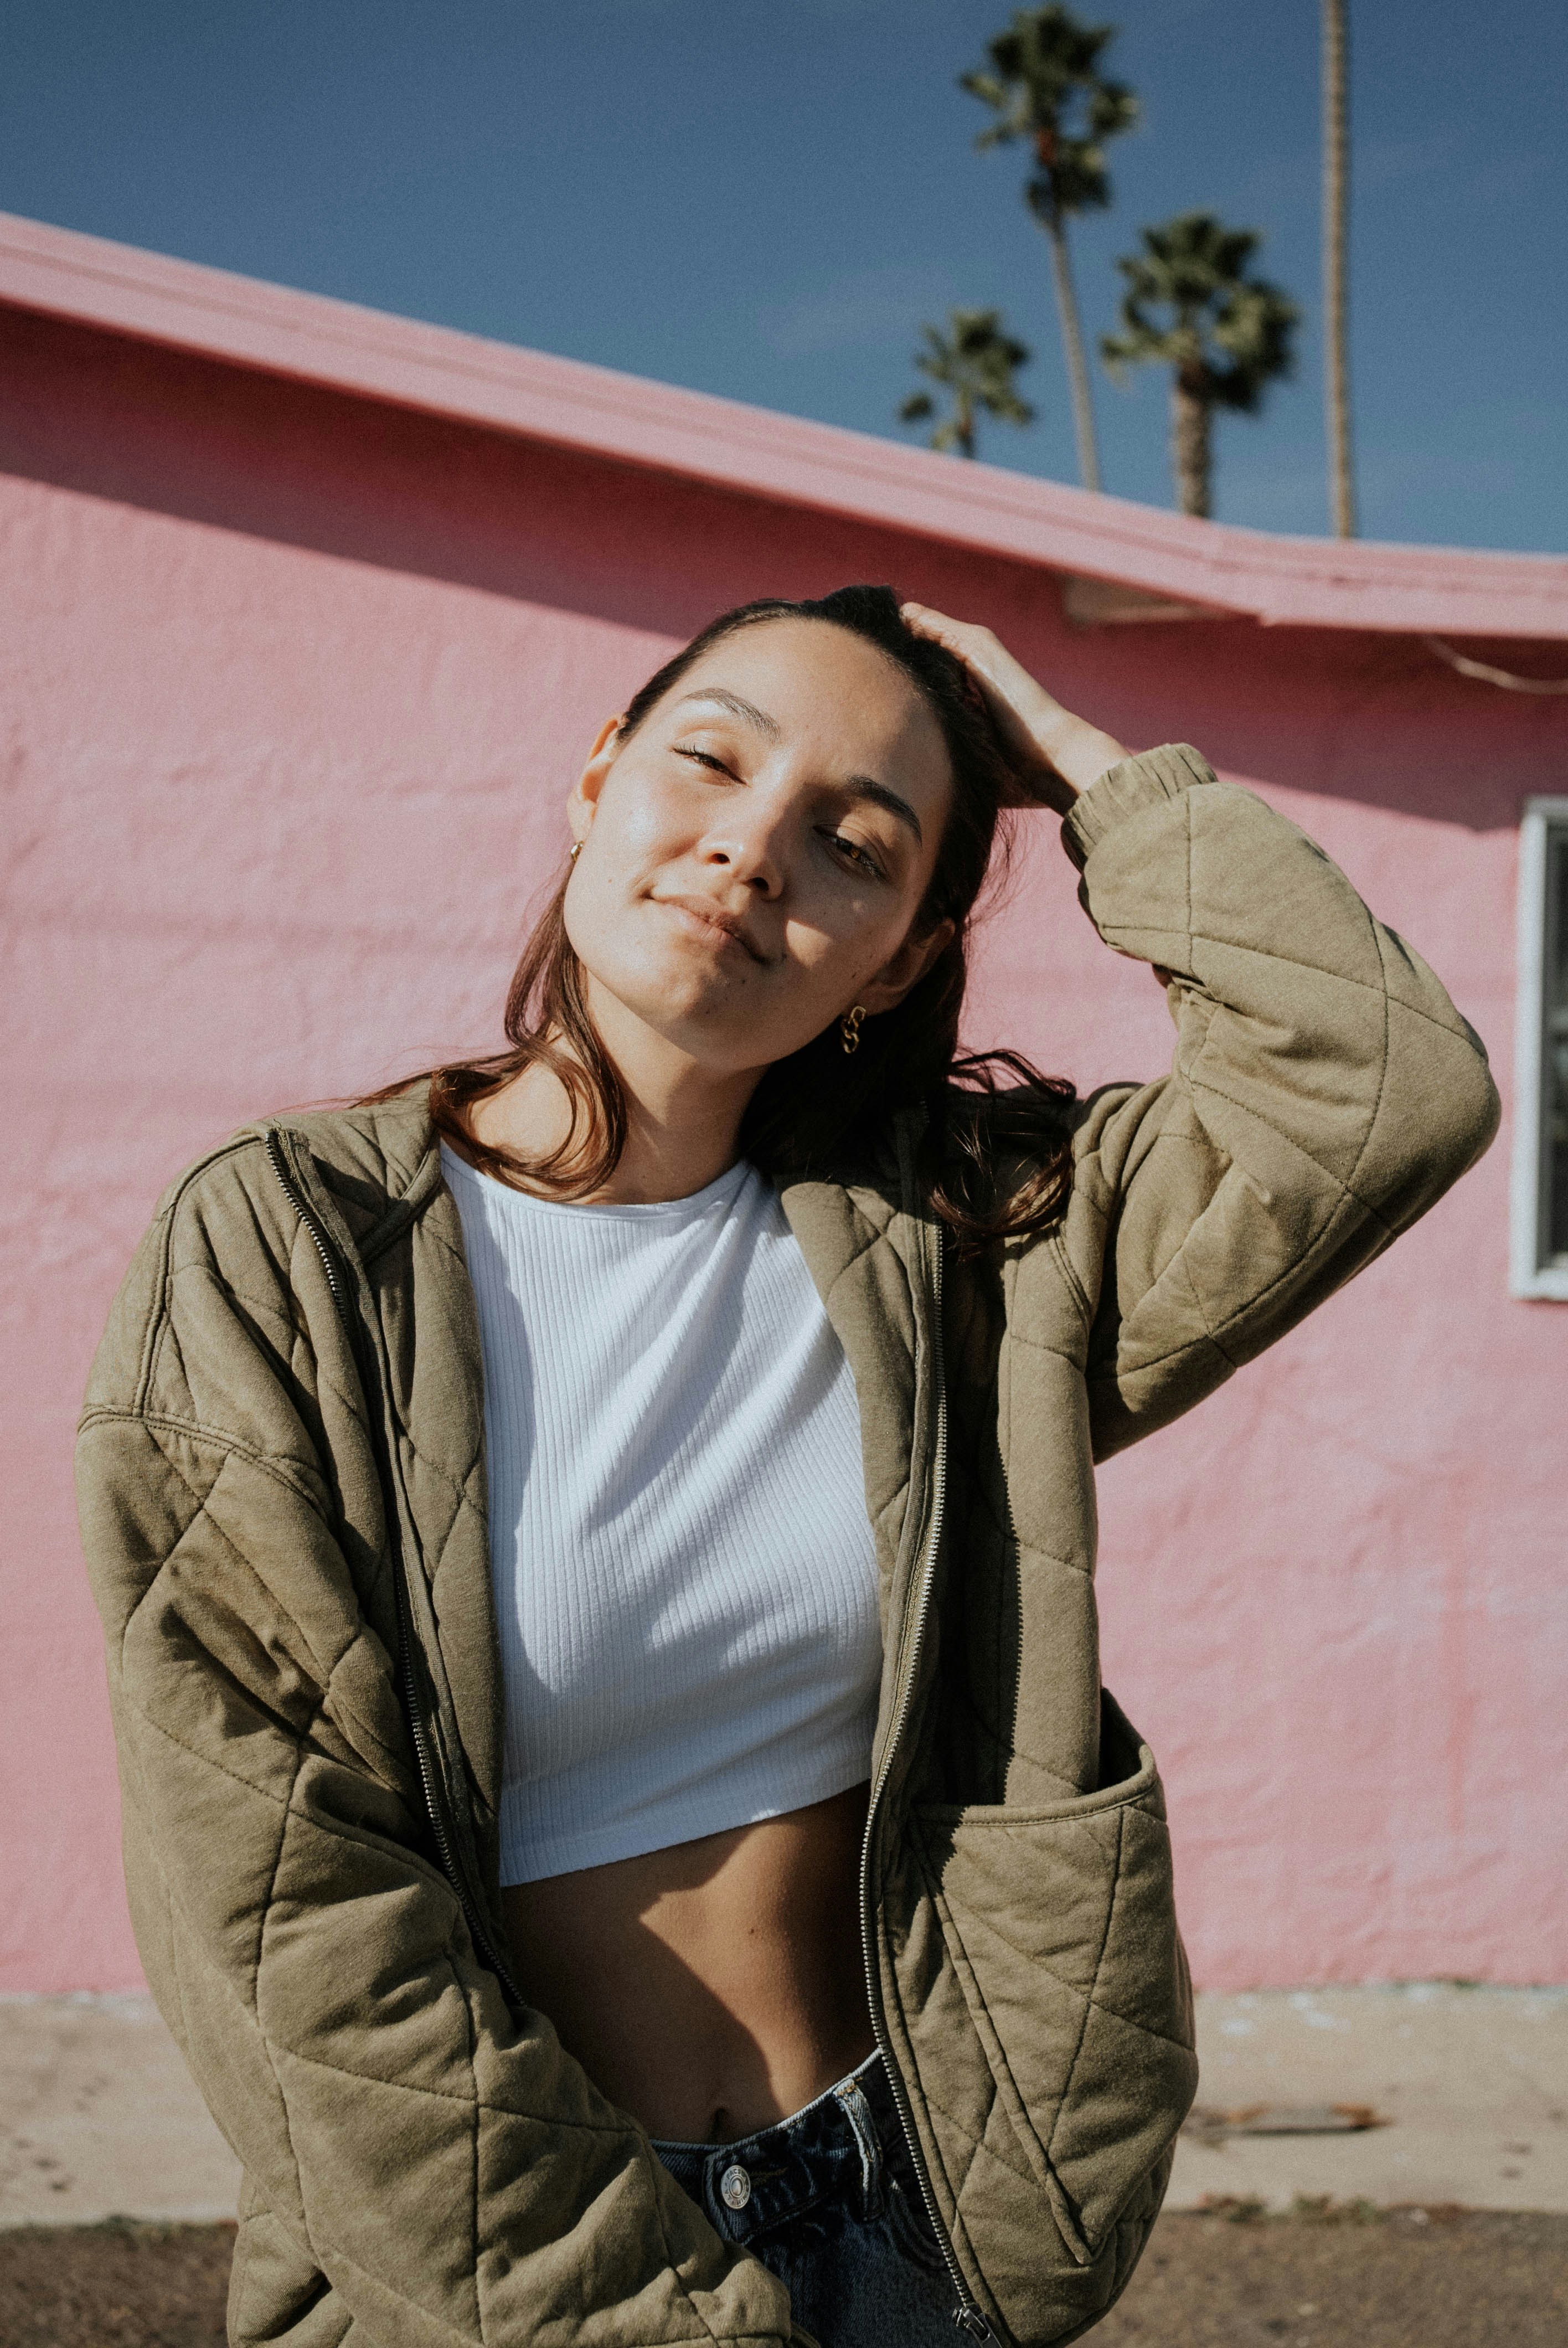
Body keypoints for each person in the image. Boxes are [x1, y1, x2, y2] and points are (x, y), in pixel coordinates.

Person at [77, 586, 1498, 2348]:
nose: (754, 853)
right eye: (711, 764)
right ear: (597, 782)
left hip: (914, 2214)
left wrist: (1085, 770)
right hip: (511, 2272)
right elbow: (282, 1902)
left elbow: (1385, 1086)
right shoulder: (288, 1249)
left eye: (853, 843)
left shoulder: (964, 1252)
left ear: (898, 955)